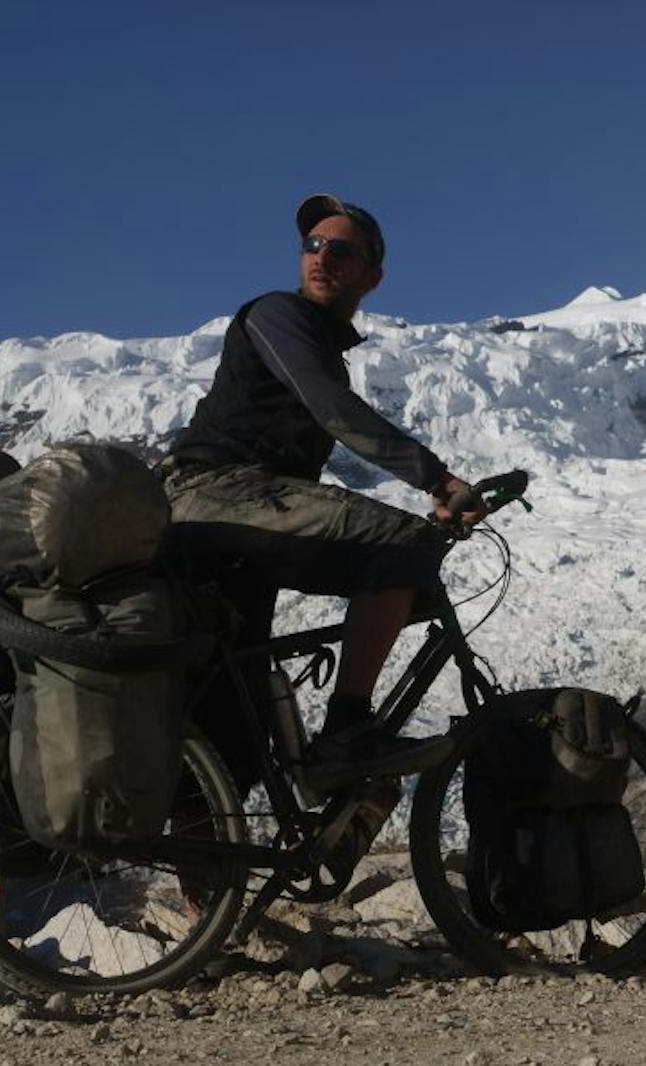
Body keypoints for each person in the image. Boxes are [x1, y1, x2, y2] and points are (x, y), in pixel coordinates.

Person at [166, 194, 484, 792]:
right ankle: (345, 730)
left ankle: (211, 874)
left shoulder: (315, 341)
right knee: (401, 544)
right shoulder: (277, 315)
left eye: (340, 250)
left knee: (232, 714)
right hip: (218, 492)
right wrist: (437, 480)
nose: (321, 257)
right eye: (312, 245)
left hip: (232, 517)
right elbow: (335, 410)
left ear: (373, 275)